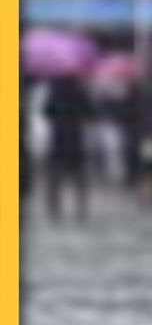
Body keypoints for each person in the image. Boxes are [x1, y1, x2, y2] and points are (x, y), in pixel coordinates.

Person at [42, 75, 94, 222]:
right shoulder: (80, 90)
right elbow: (90, 112)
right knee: (79, 179)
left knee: (55, 179)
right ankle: (81, 209)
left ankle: (54, 210)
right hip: (76, 139)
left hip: (57, 139)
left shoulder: (54, 90)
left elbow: (46, 112)